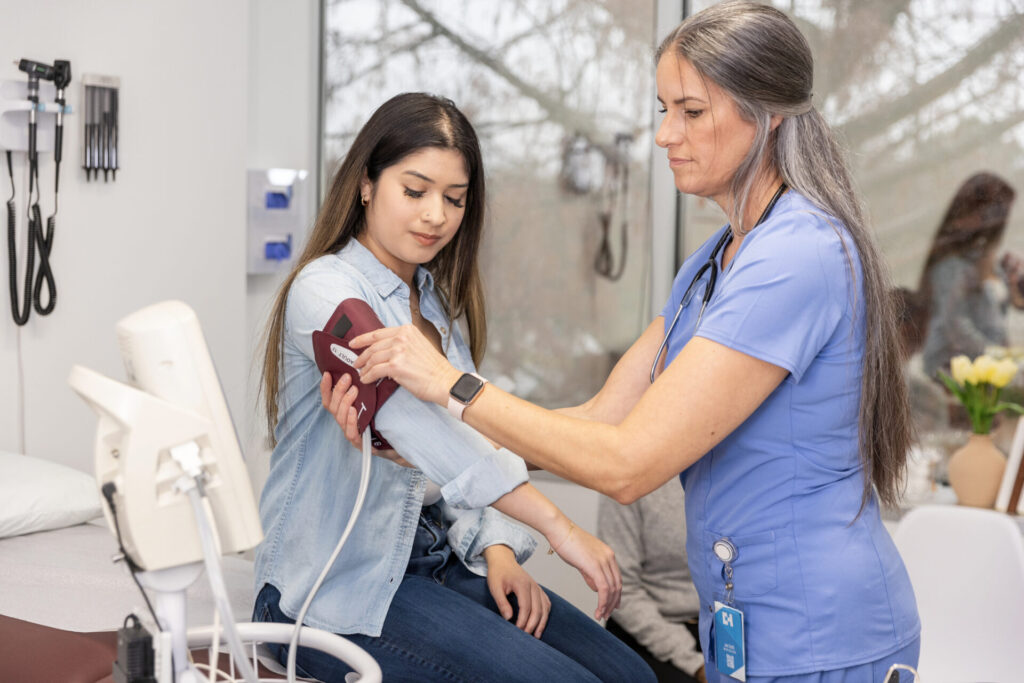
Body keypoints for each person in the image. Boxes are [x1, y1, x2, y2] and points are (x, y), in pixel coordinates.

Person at [335, 4, 923, 681]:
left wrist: (450, 384)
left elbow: (627, 463)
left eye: (691, 111)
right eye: (663, 108)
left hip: (825, 634)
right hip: (748, 626)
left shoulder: (798, 256)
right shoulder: (714, 263)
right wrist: (425, 440)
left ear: (769, 116)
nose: (665, 134)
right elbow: (600, 418)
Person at [255, 92, 654, 683]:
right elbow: (432, 434)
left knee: (632, 678)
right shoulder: (326, 290)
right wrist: (559, 529)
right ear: (366, 184)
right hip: (331, 588)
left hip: (434, 560)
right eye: (414, 192)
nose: (435, 215)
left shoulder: (436, 305)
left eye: (454, 199)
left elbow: (475, 436)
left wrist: (496, 550)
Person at [897, 172, 1019, 377]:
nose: (1001, 219)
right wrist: (999, 355)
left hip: (988, 368)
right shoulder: (949, 266)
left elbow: (1000, 307)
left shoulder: (985, 260)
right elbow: (955, 327)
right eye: (995, 210)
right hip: (955, 374)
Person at [597, 479, 705, 683]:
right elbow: (623, 590)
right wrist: (694, 662)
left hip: (717, 629)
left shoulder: (731, 477)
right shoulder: (630, 482)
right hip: (645, 630)